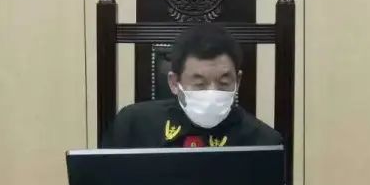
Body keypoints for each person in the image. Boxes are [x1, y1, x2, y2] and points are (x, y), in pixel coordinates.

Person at [103, 23, 283, 149]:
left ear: (238, 81)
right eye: (199, 84)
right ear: (174, 83)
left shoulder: (264, 143)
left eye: (223, 83)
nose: (212, 93)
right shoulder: (133, 126)